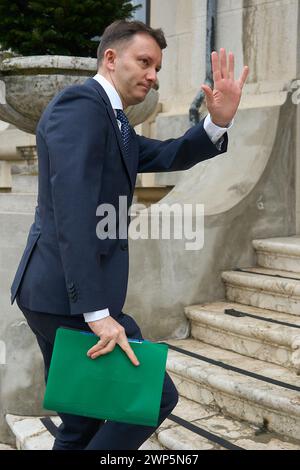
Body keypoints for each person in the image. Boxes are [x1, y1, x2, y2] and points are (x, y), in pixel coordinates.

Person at [10, 20, 249, 450]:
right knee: (156, 396)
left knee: (81, 422)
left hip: (54, 295)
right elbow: (73, 211)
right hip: (66, 298)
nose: (153, 76)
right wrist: (97, 312)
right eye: (144, 62)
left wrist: (216, 125)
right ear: (111, 58)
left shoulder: (112, 120)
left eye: (157, 67)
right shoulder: (80, 107)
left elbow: (166, 153)